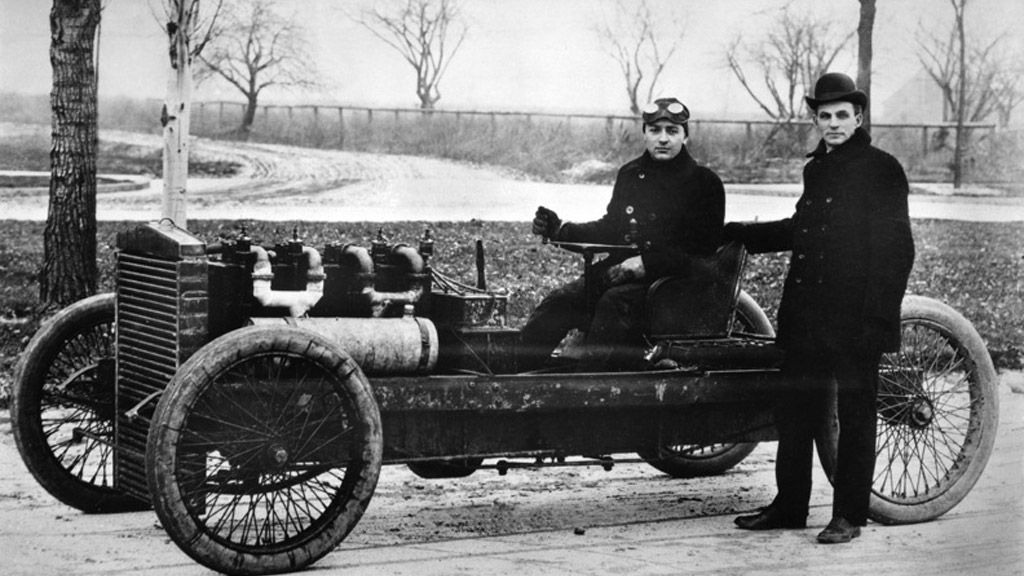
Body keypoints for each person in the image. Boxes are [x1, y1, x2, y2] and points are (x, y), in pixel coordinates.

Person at [726, 72, 915, 544]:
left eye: (841, 116)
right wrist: (740, 233)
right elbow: (802, 230)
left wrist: (877, 320)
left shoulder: (882, 169)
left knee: (855, 416)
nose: (832, 124)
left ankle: (848, 515)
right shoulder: (818, 169)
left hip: (854, 319)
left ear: (859, 117)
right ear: (816, 118)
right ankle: (790, 506)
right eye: (824, 116)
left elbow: (897, 252)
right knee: (796, 412)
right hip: (806, 314)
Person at [520, 97, 725, 371]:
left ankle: (585, 386)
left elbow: (703, 249)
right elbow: (611, 228)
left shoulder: (705, 183)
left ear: (685, 136)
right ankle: (514, 375)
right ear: (645, 134)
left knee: (613, 303)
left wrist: (647, 264)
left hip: (671, 286)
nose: (663, 139)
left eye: (672, 131)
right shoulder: (630, 175)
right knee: (561, 300)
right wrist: (561, 230)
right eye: (655, 130)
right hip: (618, 275)